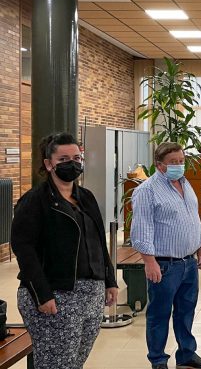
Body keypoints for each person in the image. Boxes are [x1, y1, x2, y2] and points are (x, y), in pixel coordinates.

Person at [10, 133, 118, 369]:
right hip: (56, 293)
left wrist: (110, 280)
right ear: (49, 164)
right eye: (64, 158)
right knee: (55, 363)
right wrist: (43, 295)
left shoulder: (86, 197)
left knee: (74, 361)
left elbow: (100, 241)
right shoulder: (34, 201)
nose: (73, 163)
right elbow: (24, 250)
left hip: (91, 293)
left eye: (77, 157)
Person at [131, 142, 201, 369]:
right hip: (164, 265)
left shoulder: (185, 184)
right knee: (159, 315)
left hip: (188, 262)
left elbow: (193, 218)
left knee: (186, 312)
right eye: (173, 162)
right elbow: (142, 229)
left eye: (181, 161)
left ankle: (187, 354)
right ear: (159, 165)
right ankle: (158, 360)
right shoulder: (147, 191)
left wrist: (200, 246)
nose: (179, 165)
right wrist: (149, 262)